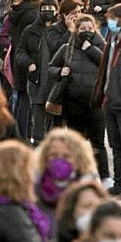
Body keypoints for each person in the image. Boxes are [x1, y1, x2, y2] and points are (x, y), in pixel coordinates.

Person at [49, 14, 109, 180]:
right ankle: (76, 175)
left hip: (96, 104)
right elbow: (51, 67)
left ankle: (104, 177)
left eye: (90, 29)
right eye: (82, 29)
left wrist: (90, 49)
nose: (86, 32)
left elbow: (106, 64)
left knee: (97, 143)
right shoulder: (67, 48)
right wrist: (60, 72)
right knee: (76, 143)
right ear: (76, 30)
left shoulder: (102, 46)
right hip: (73, 104)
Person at [94, 3, 121, 197]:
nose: (110, 21)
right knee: (115, 145)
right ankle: (119, 182)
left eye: (114, 17)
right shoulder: (113, 37)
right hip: (110, 98)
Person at [34, 128, 99, 228]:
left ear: (78, 159)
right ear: (45, 157)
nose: (59, 160)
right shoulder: (34, 186)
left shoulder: (89, 189)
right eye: (53, 155)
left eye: (66, 156)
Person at [16, 0, 59, 144]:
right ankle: (39, 144)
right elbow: (20, 51)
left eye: (50, 9)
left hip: (55, 81)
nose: (47, 12)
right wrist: (29, 63)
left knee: (54, 118)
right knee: (37, 116)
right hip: (36, 80)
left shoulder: (61, 31)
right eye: (44, 9)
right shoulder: (31, 30)